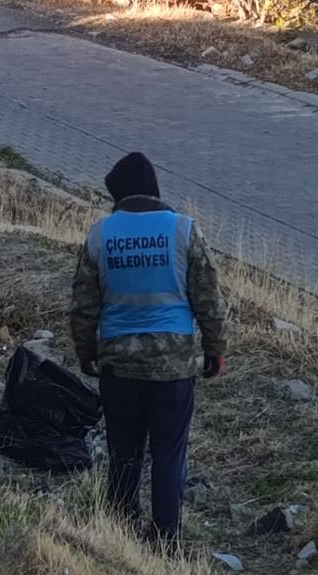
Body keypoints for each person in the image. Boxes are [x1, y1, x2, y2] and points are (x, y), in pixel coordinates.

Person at [71, 151, 227, 544]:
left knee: (124, 453)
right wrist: (215, 348)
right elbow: (209, 299)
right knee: (168, 456)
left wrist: (86, 352)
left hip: (118, 368)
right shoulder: (184, 230)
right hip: (172, 369)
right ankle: (164, 539)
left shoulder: (100, 234)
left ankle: (122, 533)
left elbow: (83, 306)